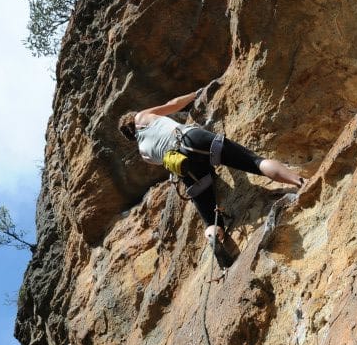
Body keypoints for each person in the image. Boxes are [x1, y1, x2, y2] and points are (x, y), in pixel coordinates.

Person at [118, 88, 304, 244]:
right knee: (254, 162)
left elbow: (165, 159)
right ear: (133, 120)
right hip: (192, 139)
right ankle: (299, 181)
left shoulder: (143, 153)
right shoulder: (141, 117)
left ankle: (215, 237)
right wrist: (195, 94)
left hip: (186, 167)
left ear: (131, 137)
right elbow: (173, 104)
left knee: (209, 215)